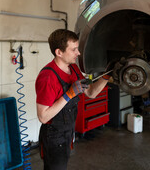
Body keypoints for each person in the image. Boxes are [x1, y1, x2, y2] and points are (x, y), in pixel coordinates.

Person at [35, 29, 111, 170]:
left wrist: (107, 75)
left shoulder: (74, 69)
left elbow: (91, 93)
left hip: (68, 132)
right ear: (59, 52)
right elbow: (43, 117)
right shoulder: (47, 77)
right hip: (53, 136)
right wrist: (69, 94)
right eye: (74, 49)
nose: (79, 53)